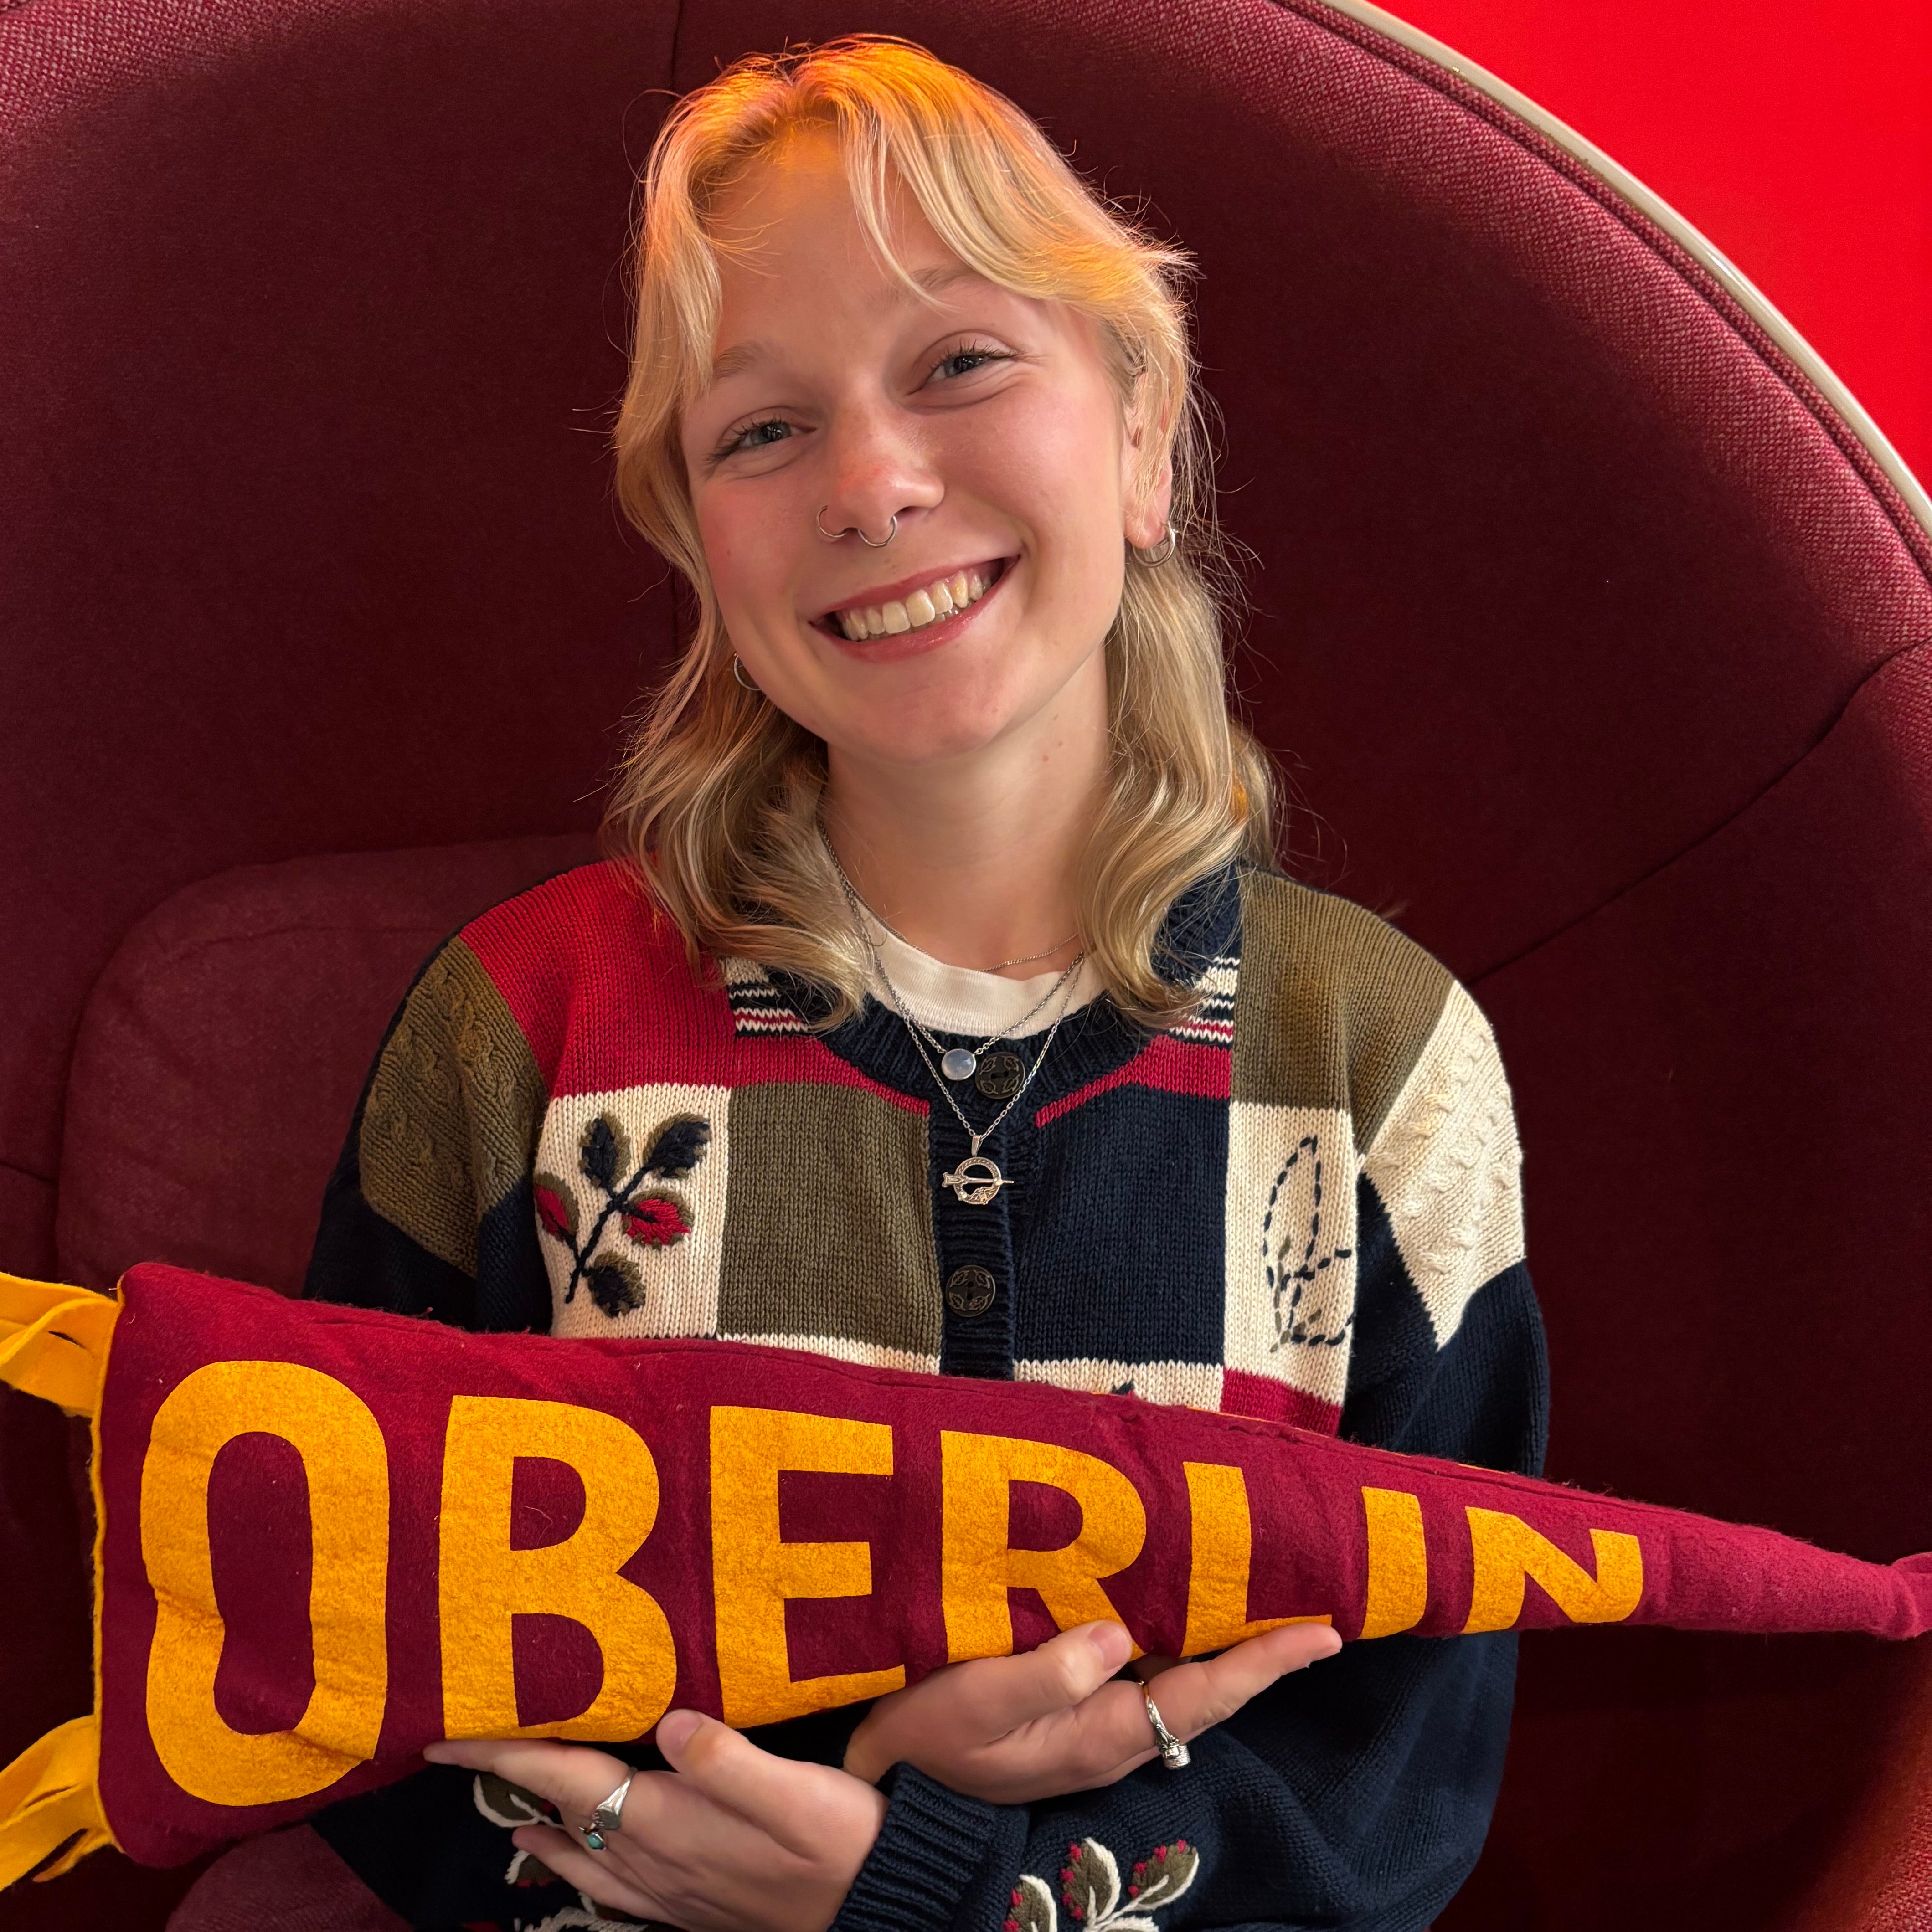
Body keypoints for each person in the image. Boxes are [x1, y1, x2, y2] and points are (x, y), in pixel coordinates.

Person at [167, 33, 1546, 1932]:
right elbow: (350, 1652)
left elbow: (1392, 1793)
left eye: (960, 362)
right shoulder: (513, 1033)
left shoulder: (1382, 1067)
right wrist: (843, 1795)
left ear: (1141, 437)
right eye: (760, 428)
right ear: (697, 541)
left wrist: (940, 1878)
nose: (873, 482)